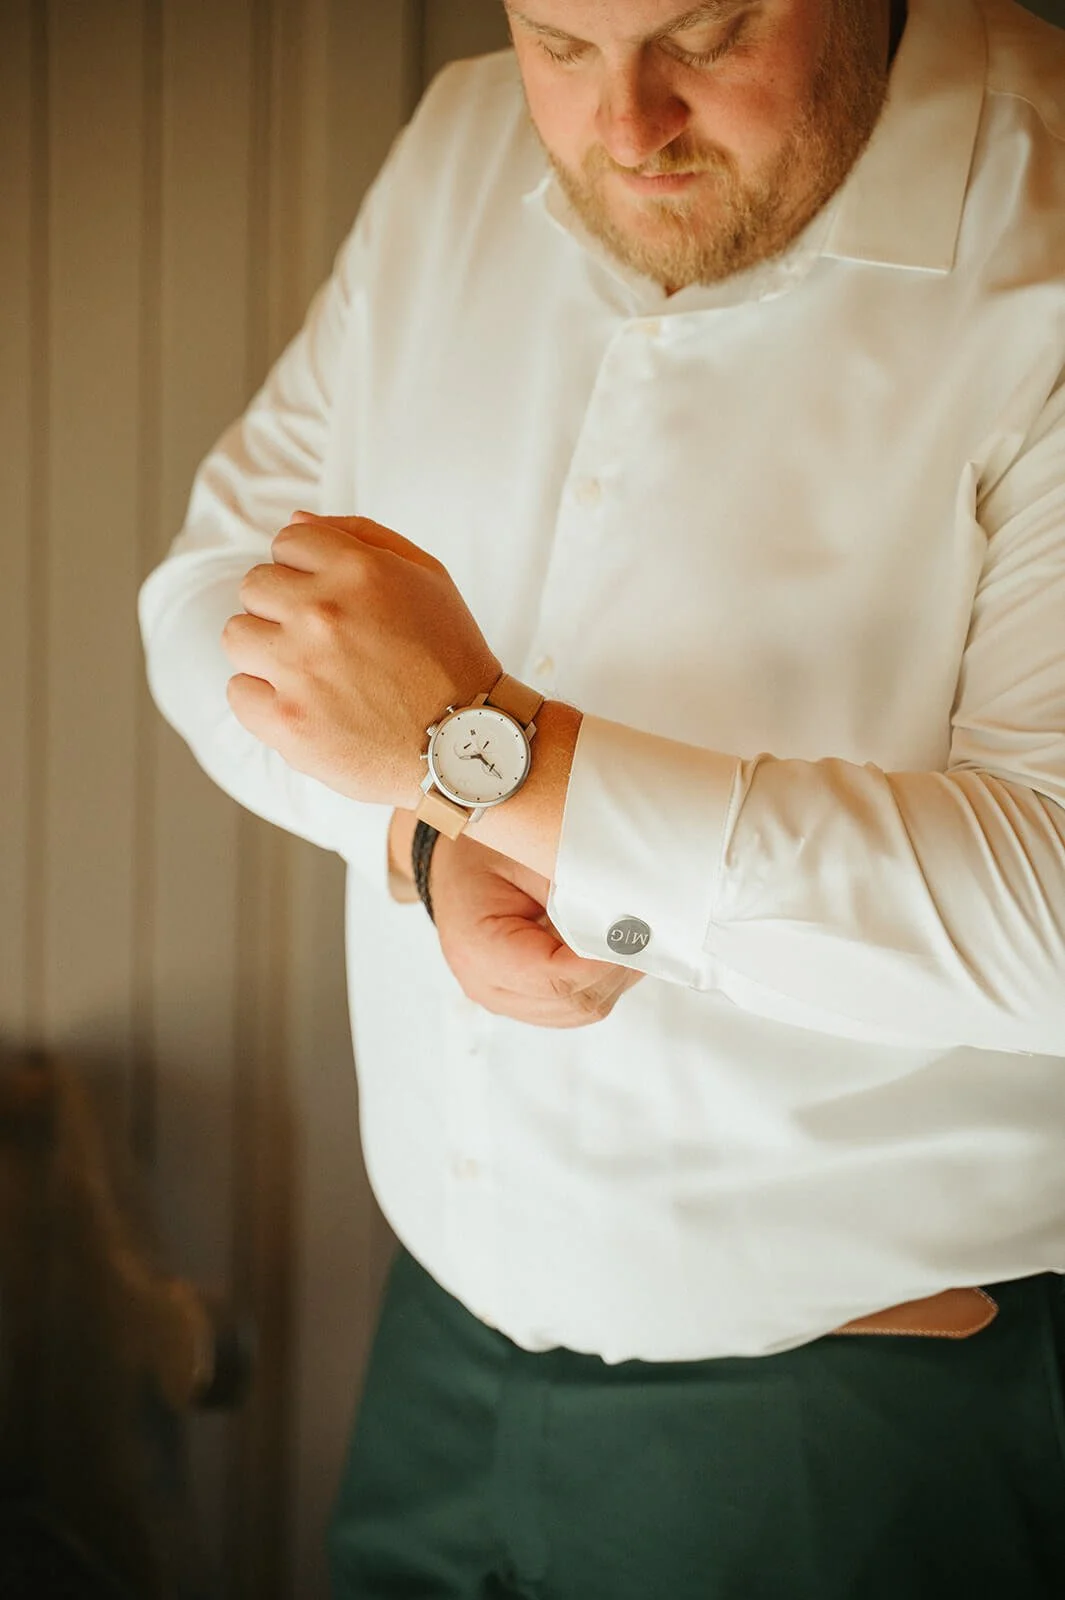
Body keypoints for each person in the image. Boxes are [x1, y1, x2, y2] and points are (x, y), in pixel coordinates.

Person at [138, 0, 1065, 1593]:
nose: (627, 127)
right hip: (436, 1356)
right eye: (561, 41)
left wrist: (495, 750)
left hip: (843, 1427)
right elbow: (213, 589)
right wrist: (434, 830)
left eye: (708, 33)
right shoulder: (458, 143)